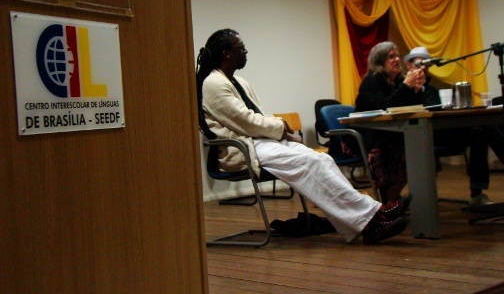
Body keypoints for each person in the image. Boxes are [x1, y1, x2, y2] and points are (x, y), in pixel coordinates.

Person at [196, 28, 411, 244]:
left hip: (260, 142)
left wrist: (283, 133)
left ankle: (373, 216)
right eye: (240, 48)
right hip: (243, 148)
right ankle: (373, 219)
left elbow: (257, 117)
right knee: (309, 161)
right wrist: (283, 128)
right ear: (226, 53)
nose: (245, 52)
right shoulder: (212, 83)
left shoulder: (239, 81)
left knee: (322, 159)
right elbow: (246, 122)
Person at [403, 46, 504, 206]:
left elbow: (436, 110)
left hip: (442, 131)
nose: (422, 69)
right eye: (418, 64)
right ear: (408, 66)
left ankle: (476, 193)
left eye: (425, 65)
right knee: (482, 125)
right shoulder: (402, 88)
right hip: (420, 135)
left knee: (479, 130)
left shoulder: (431, 90)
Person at [354, 42, 425, 204]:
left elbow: (414, 108)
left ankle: (398, 196)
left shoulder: (399, 81)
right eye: (391, 57)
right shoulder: (371, 81)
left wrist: (417, 89)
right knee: (390, 147)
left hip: (390, 132)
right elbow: (385, 107)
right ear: (380, 61)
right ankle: (390, 198)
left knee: (420, 141)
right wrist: (407, 86)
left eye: (397, 56)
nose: (397, 60)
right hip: (366, 134)